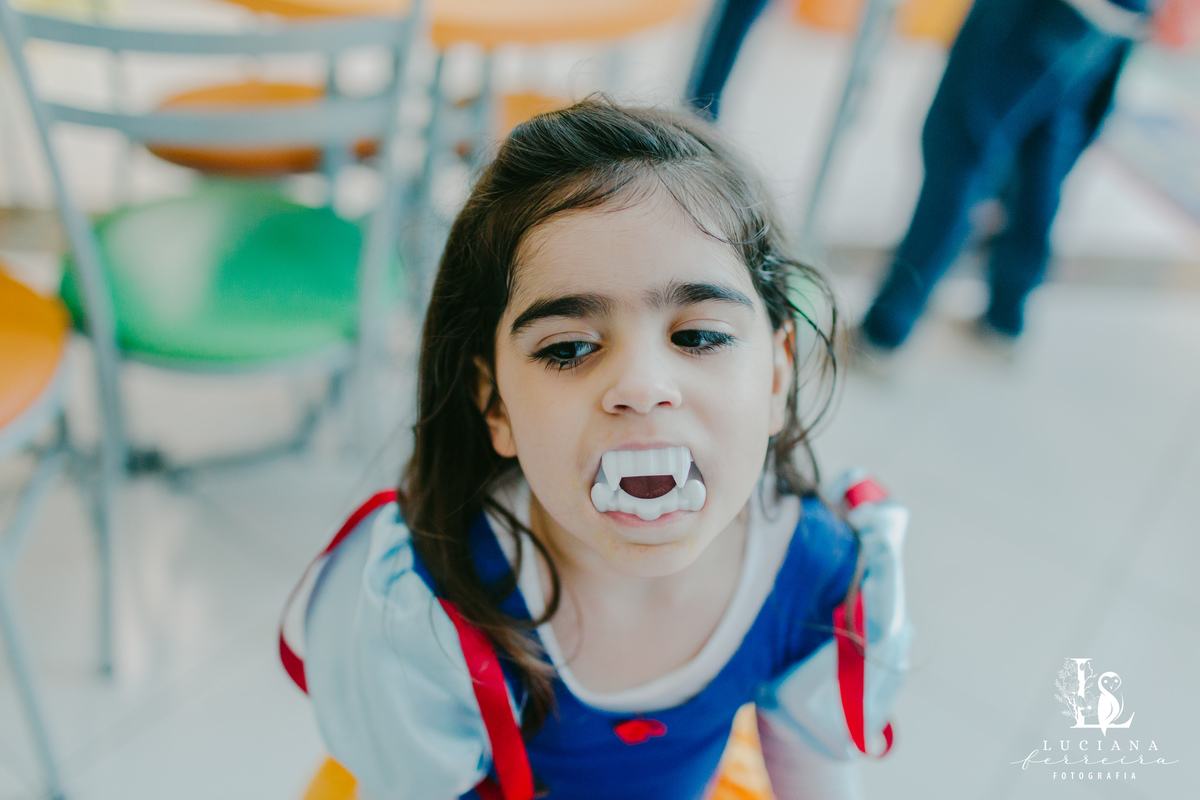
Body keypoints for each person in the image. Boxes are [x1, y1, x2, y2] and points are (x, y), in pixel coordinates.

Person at [283, 99, 911, 800]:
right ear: (496, 405)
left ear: (774, 374)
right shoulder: (431, 604)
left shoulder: (815, 573)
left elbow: (816, 779)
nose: (640, 386)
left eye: (698, 336)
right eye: (571, 347)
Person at [861, 0, 1159, 349]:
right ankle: (1005, 316)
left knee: (962, 146)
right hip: (1120, 15)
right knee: (1044, 152)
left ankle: (887, 326)